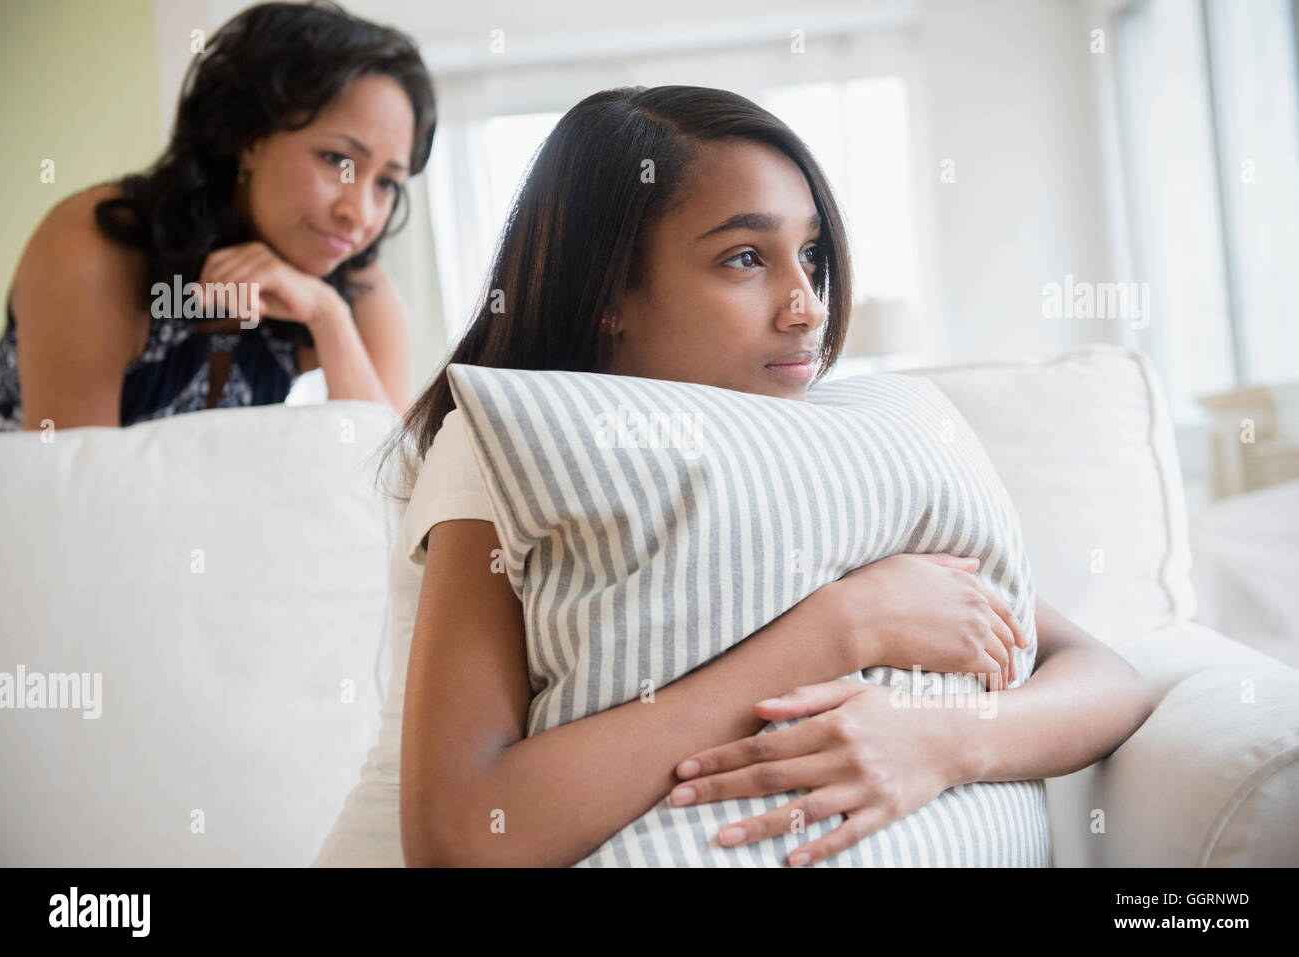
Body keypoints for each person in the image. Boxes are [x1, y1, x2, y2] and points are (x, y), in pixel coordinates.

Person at [391, 86, 1154, 867]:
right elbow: (462, 836)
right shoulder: (501, 450)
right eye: (746, 257)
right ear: (610, 293)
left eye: (812, 254)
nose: (807, 306)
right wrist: (843, 626)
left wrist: (943, 740)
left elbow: (1107, 679)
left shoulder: (839, 448)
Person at [0, 1, 435, 431]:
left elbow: (391, 481)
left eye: (387, 183)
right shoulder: (97, 248)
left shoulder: (357, 290)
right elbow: (75, 491)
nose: (358, 214)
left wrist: (328, 317)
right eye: (335, 158)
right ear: (250, 137)